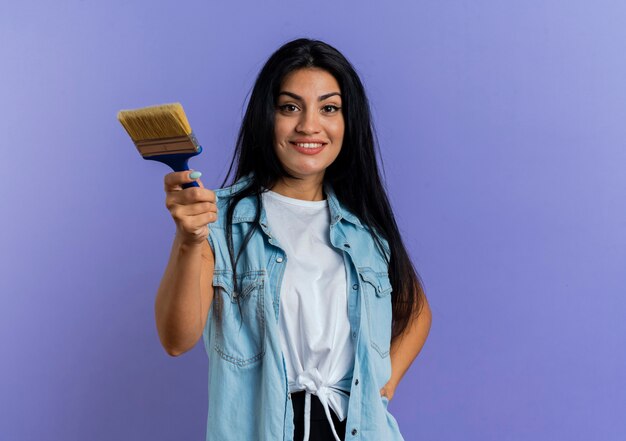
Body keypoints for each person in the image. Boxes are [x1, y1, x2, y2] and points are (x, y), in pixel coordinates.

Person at [154, 38, 432, 441]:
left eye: (329, 108)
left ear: (347, 121)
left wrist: (381, 387)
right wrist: (188, 240)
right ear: (266, 118)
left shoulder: (364, 231)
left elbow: (415, 308)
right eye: (290, 107)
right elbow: (176, 339)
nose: (309, 125)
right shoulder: (221, 221)